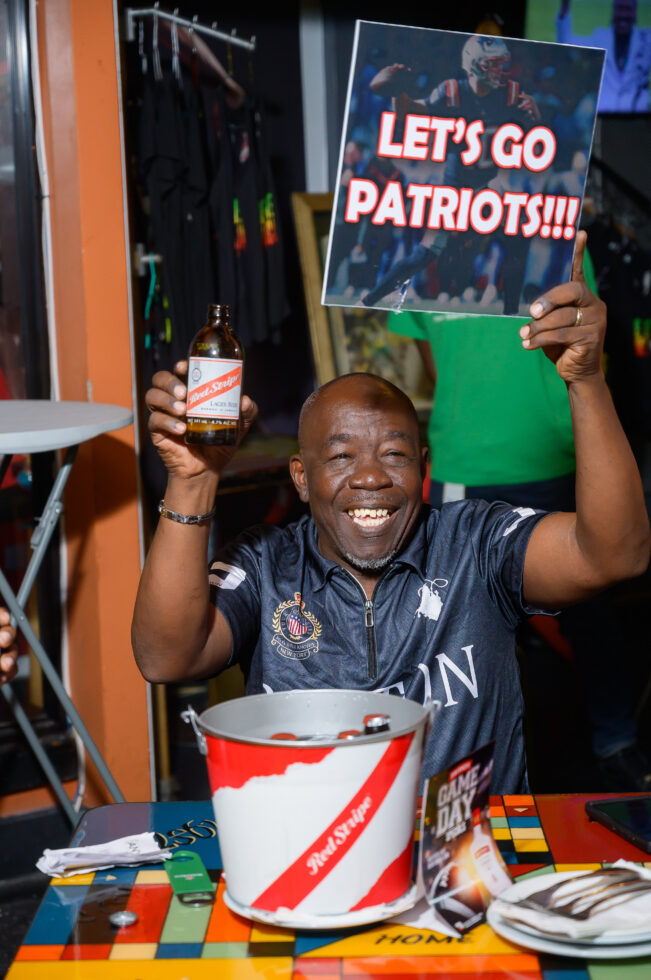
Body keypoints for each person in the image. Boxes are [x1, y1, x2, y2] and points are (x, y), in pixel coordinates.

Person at [132, 233, 651, 794]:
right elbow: (166, 658)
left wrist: (586, 381)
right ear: (301, 478)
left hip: (472, 843)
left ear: (423, 467)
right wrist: (193, 481)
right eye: (340, 457)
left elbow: (616, 555)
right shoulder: (266, 565)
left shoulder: (474, 544)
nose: (370, 477)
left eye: (394, 455)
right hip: (316, 841)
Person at [388, 254, 651, 790]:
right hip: (463, 461)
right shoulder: (417, 246)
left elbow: (583, 328)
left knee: (589, 608)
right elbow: (432, 359)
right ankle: (460, 765)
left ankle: (616, 740)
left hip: (550, 453)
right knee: (450, 621)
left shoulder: (552, 235)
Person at [360, 35, 540, 312]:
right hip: (454, 190)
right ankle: (369, 300)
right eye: (492, 64)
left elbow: (536, 135)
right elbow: (409, 113)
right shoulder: (452, 92)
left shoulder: (510, 94)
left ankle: (511, 313)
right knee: (423, 255)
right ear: (475, 64)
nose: (500, 70)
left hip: (488, 186)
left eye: (501, 64)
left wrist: (535, 116)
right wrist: (398, 92)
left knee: (519, 234)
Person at [556, 0, 651, 113]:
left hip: (636, 115)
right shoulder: (600, 39)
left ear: (635, 13)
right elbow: (566, 42)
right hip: (604, 114)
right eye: (620, 9)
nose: (623, 14)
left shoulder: (645, 41)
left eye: (628, 9)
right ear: (614, 12)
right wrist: (565, 7)